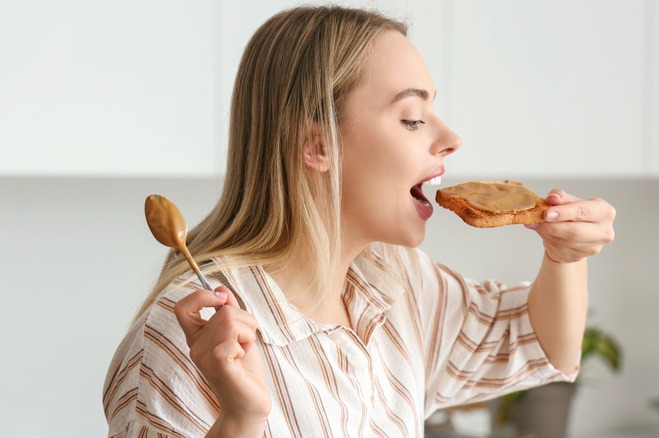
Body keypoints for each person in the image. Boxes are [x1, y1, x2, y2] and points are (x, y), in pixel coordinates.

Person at [103, 5, 615, 437]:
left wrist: (564, 257)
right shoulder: (191, 336)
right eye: (412, 117)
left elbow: (537, 344)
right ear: (318, 145)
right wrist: (239, 421)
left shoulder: (397, 285)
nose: (450, 137)